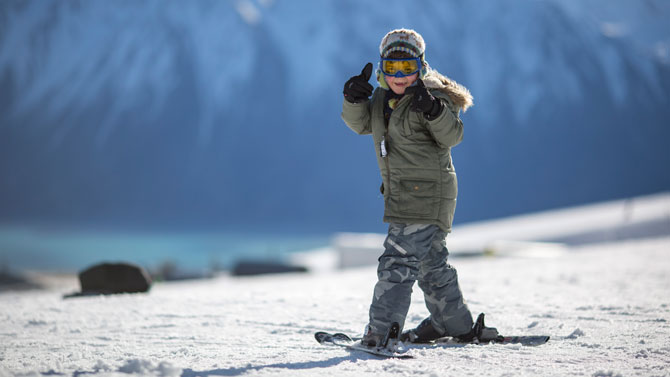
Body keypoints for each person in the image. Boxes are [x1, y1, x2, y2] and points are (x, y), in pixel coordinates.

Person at [341, 28, 499, 347]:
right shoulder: (381, 99)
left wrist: (433, 111)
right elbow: (360, 125)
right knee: (431, 265)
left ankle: (381, 332)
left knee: (396, 262)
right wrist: (353, 99)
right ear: (382, 68)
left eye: (408, 68)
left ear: (421, 66)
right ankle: (454, 323)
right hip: (405, 196)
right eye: (392, 69)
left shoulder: (433, 97)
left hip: (425, 196)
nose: (400, 77)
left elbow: (453, 136)